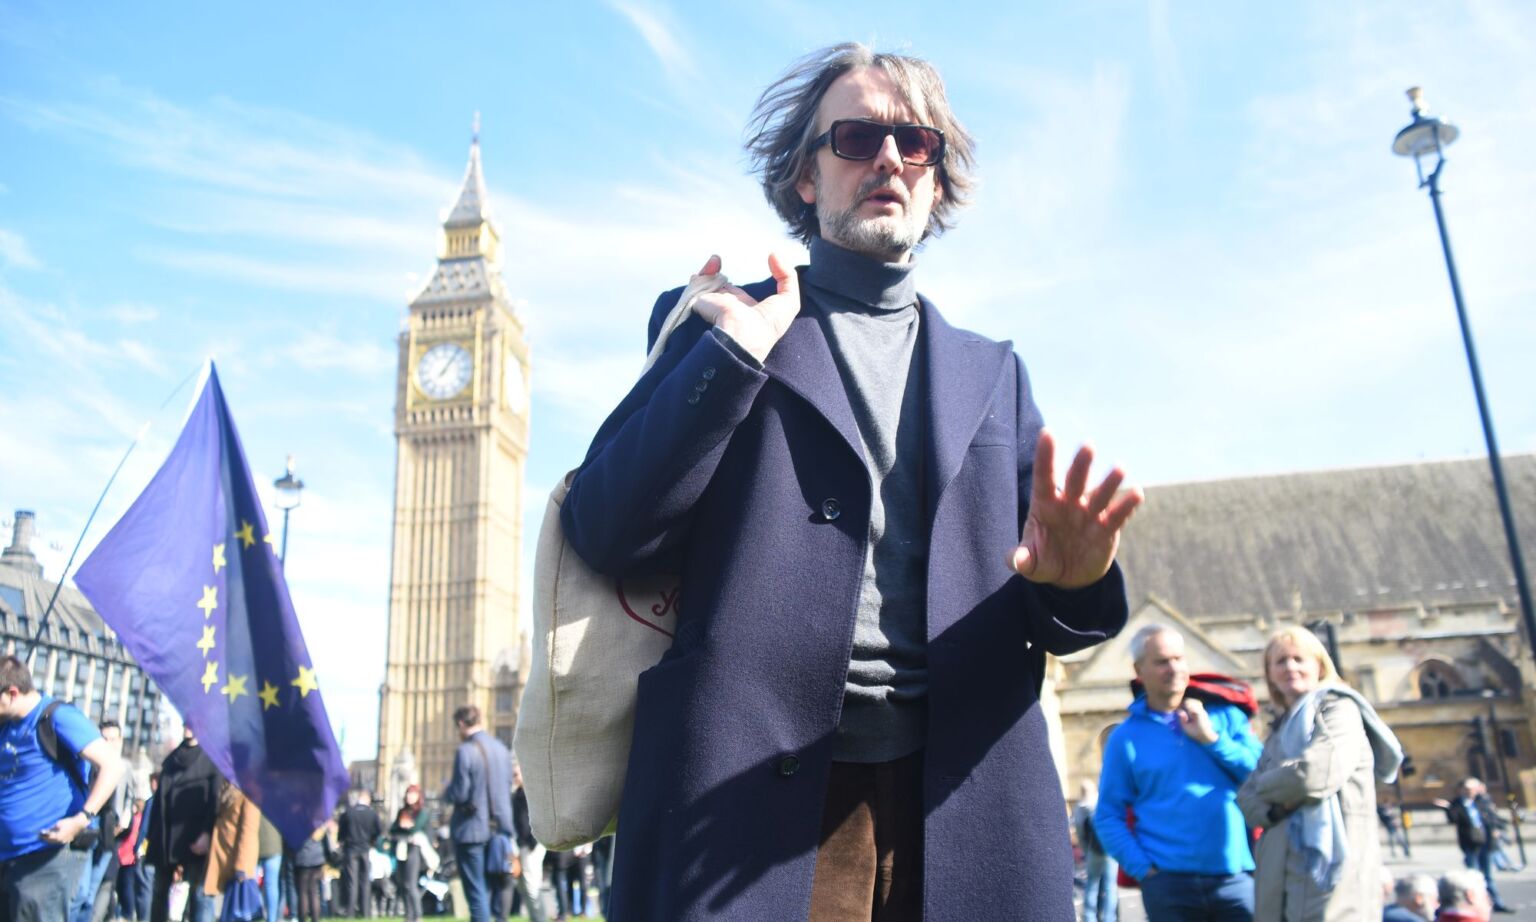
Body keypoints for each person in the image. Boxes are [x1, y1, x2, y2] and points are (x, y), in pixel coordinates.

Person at [560, 42, 1141, 921]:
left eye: (917, 144)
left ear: (938, 182)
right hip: (742, 814)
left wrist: (1082, 576)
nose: (890, 162)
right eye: (859, 137)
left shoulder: (994, 373)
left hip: (961, 808)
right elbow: (609, 531)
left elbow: (1057, 613)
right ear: (804, 176)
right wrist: (728, 358)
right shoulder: (725, 324)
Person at [1235, 626, 1404, 921]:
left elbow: (1314, 775)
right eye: (1280, 661)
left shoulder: (1339, 709)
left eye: (1299, 659)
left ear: (1320, 665)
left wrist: (1268, 789)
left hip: (1331, 870)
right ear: (1270, 674)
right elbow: (1246, 802)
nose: (1291, 667)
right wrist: (1281, 796)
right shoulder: (1278, 730)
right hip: (1280, 874)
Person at [1095, 626, 1260, 921]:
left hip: (1235, 879)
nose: (1174, 668)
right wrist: (1144, 870)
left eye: (1178, 659)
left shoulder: (1226, 717)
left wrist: (1213, 740)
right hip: (1169, 887)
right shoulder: (1126, 738)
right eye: (1161, 662)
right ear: (1139, 670)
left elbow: (1261, 776)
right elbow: (1108, 815)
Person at [0, 654, 125, 922]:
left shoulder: (56, 717)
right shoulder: (6, 726)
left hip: (43, 857)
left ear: (11, 693)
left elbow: (112, 765)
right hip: (6, 858)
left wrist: (82, 819)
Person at [442, 704, 512, 922]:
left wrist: (447, 792)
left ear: (462, 724)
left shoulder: (465, 751)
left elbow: (461, 793)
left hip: (471, 830)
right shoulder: (502, 749)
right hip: (499, 829)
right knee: (495, 889)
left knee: (476, 893)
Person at [145, 725, 221, 922]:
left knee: (199, 896)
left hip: (195, 838)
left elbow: (215, 800)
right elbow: (159, 802)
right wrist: (151, 835)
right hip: (166, 839)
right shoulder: (172, 759)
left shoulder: (211, 760)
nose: (189, 726)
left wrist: (206, 832)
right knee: (159, 892)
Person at [71, 719, 135, 922]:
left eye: (113, 739)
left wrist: (124, 819)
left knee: (92, 893)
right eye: (104, 738)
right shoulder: (89, 765)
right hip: (89, 829)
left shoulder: (124, 767)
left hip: (109, 835)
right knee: (80, 891)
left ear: (120, 741)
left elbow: (130, 797)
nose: (109, 743)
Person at [1435, 778, 1513, 913]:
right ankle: (1477, 903)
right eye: (1467, 789)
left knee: (1488, 876)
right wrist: (1447, 808)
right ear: (1462, 790)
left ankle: (1497, 903)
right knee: (1474, 876)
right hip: (1470, 843)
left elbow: (1491, 817)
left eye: (1472, 789)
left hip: (1486, 842)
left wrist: (1496, 829)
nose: (1469, 792)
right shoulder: (1458, 803)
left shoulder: (1482, 801)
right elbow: (1453, 819)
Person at [201, 783, 260, 919]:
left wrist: (242, 866)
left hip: (236, 863)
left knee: (235, 913)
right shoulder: (226, 790)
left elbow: (248, 832)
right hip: (222, 855)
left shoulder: (250, 794)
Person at [387, 784, 435, 922]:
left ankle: (418, 915)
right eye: (408, 793)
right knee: (403, 884)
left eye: (412, 794)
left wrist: (405, 828)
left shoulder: (422, 812)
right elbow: (393, 829)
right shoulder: (403, 812)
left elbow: (414, 829)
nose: (410, 796)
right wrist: (403, 827)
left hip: (414, 851)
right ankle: (408, 915)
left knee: (411, 884)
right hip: (402, 849)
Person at [1073, 779, 1116, 922]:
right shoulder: (1100, 804)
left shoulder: (1079, 809)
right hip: (1109, 851)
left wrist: (1086, 849)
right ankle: (1109, 918)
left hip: (1092, 851)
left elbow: (1080, 833)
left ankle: (1090, 917)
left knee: (1091, 885)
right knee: (1110, 887)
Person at [509, 763, 547, 922]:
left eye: (517, 774)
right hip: (523, 844)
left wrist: (531, 843)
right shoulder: (518, 794)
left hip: (531, 845)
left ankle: (540, 919)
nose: (515, 777)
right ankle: (536, 918)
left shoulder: (530, 794)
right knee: (524, 886)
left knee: (532, 886)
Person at [335, 789, 381, 917]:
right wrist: (371, 842)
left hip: (351, 849)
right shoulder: (372, 813)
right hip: (365, 849)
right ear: (367, 800)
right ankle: (365, 911)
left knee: (352, 882)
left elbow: (341, 833)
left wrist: (342, 841)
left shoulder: (348, 813)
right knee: (365, 881)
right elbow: (378, 831)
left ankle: (350, 912)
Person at [115, 798, 148, 921]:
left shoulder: (135, 819)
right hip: (131, 855)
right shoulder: (142, 819)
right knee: (128, 885)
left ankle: (127, 913)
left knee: (126, 885)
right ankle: (127, 912)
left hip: (128, 855)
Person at [255, 813, 284, 922]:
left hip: (253, 844)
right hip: (274, 844)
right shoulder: (276, 801)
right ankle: (271, 918)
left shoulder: (251, 799)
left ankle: (258, 913)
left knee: (252, 882)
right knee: (271, 885)